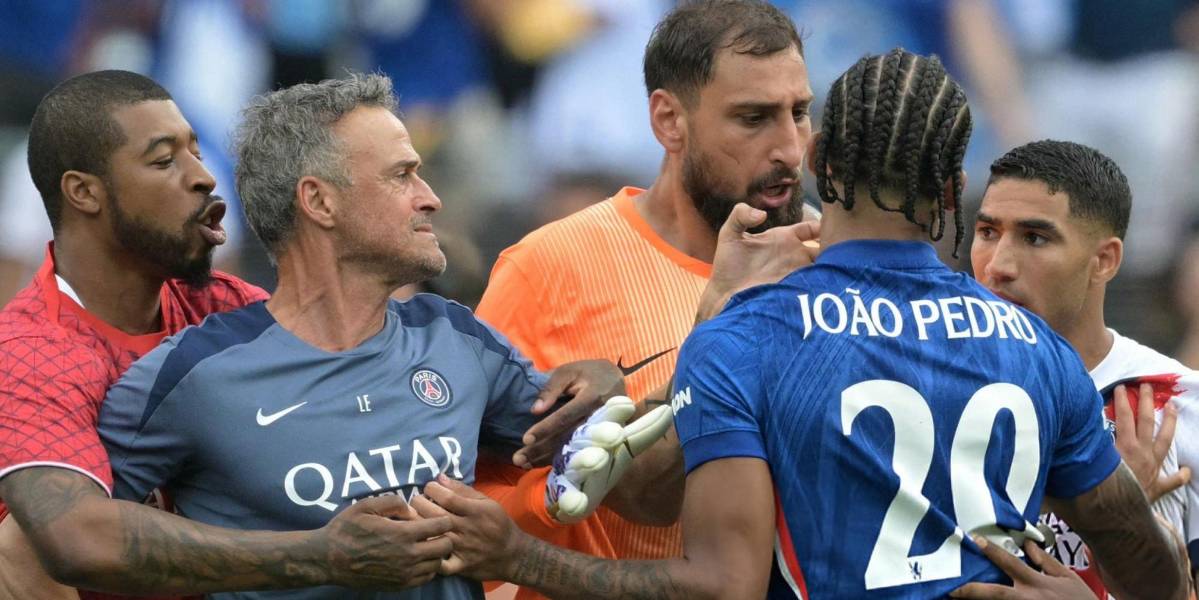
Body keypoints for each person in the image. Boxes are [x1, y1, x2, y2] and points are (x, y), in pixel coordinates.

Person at [412, 48, 1190, 600]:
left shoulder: (747, 337)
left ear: (819, 158)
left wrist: (520, 558)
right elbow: (1145, 563)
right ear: (954, 187)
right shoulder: (1037, 350)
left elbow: (721, 584)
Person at [94, 73, 629, 600]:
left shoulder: (455, 336)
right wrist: (310, 558)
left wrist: (613, 397)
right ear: (319, 202)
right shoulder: (194, 374)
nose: (430, 199)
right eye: (402, 175)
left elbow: (629, 476)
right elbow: (80, 538)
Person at [0, 70, 472, 599]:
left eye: (197, 153)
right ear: (84, 192)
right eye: (164, 161)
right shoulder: (29, 352)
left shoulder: (224, 306)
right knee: (19, 543)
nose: (204, 178)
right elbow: (74, 542)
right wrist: (322, 556)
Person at [473, 4, 815, 594]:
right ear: (669, 121)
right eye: (753, 118)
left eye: (799, 113)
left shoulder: (834, 270)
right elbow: (469, 510)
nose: (789, 148)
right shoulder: (548, 268)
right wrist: (557, 493)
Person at [967, 139, 1198, 597]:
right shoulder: (926, 385)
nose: (998, 266)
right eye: (988, 232)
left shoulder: (1180, 403)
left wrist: (1128, 532)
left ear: (1104, 261)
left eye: (1034, 238)